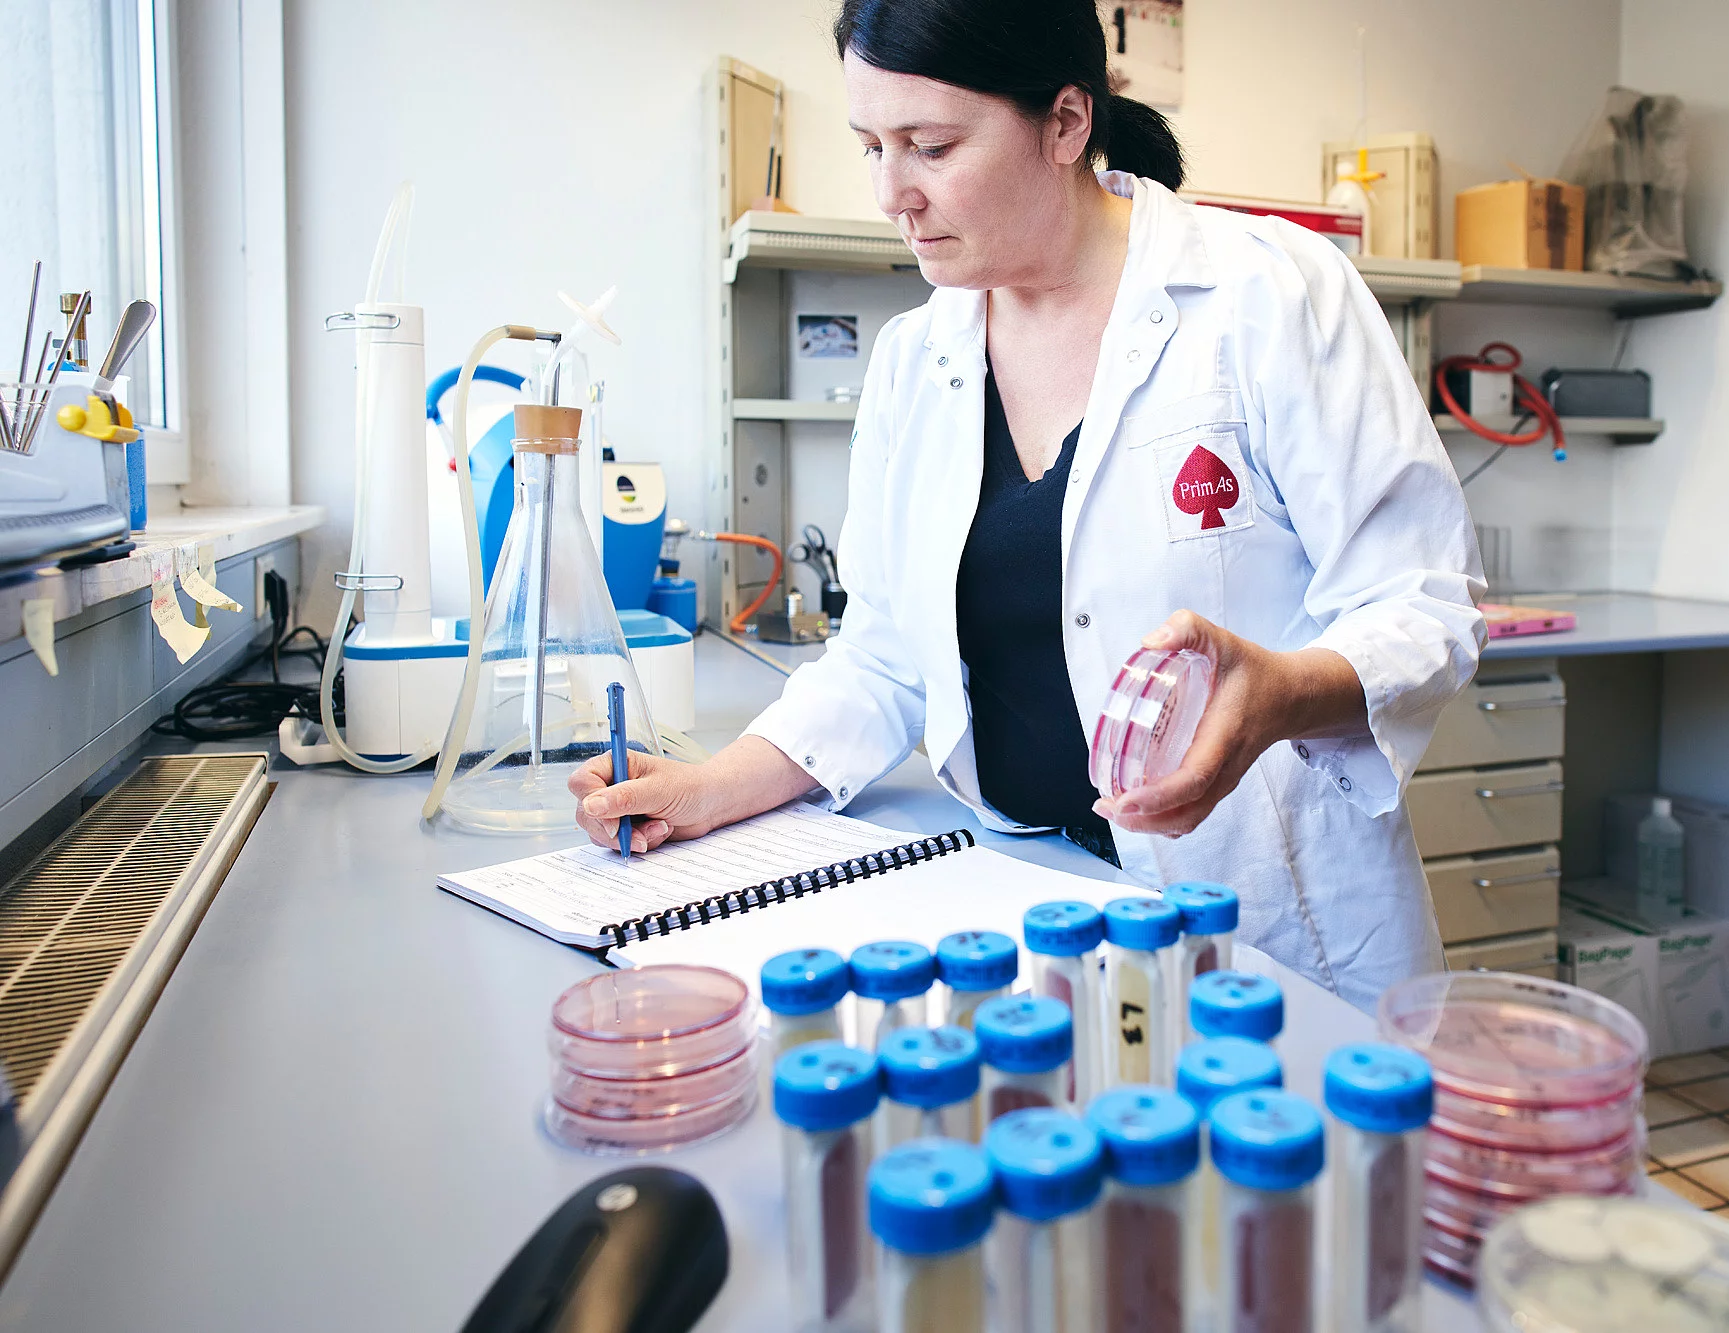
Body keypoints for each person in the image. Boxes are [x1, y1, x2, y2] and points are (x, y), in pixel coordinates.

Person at [573, 0, 1485, 1007]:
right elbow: (881, 661)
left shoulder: (1267, 298)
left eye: (928, 146)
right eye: (870, 145)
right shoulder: (912, 362)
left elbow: (1420, 605)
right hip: (1020, 907)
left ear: (1064, 122)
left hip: (1267, 916)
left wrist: (1279, 693)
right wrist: (707, 788)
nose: (890, 193)